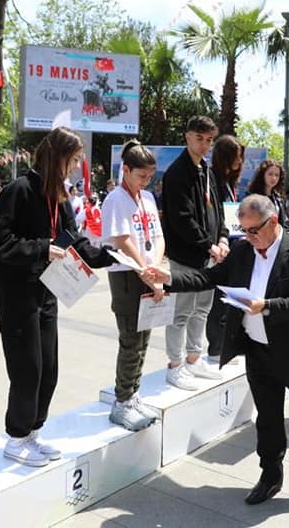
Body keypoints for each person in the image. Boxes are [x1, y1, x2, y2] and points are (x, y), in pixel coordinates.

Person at [144, 195, 289, 517]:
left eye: (253, 231)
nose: (248, 237)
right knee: (268, 422)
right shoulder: (243, 251)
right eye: (243, 231)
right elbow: (209, 277)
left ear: (273, 222)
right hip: (259, 352)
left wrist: (268, 307)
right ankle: (270, 476)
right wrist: (170, 278)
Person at [0, 126, 115, 467]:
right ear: (58, 157)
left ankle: (33, 432)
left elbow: (73, 240)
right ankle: (16, 437)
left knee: (48, 369)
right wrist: (42, 248)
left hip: (47, 292)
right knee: (26, 368)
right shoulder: (20, 190)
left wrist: (108, 256)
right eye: (73, 159)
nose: (75, 167)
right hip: (17, 293)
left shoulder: (59, 195)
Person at [161, 115, 229, 390]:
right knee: (181, 313)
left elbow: (219, 211)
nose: (204, 145)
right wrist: (208, 244)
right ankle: (175, 365)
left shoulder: (207, 170)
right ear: (187, 136)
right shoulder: (177, 173)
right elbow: (181, 219)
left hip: (209, 256)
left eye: (209, 140)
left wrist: (222, 238)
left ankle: (193, 358)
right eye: (199, 138)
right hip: (186, 256)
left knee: (202, 309)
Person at [101, 140, 165, 431]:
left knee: (144, 339)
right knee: (130, 340)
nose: (146, 181)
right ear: (125, 170)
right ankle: (122, 400)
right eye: (141, 176)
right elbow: (122, 240)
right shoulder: (116, 199)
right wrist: (145, 270)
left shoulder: (148, 198)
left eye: (150, 176)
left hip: (148, 272)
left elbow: (158, 236)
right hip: (127, 275)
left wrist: (155, 268)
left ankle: (134, 393)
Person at [206, 134, 245, 361]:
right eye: (237, 156)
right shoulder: (214, 180)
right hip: (219, 247)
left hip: (233, 244)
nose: (240, 161)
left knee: (229, 300)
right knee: (217, 302)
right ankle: (215, 348)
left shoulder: (230, 183)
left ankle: (225, 345)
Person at [246, 159, 289, 231]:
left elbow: (283, 223)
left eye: (277, 175)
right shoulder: (252, 197)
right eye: (270, 174)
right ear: (263, 175)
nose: (273, 178)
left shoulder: (278, 199)